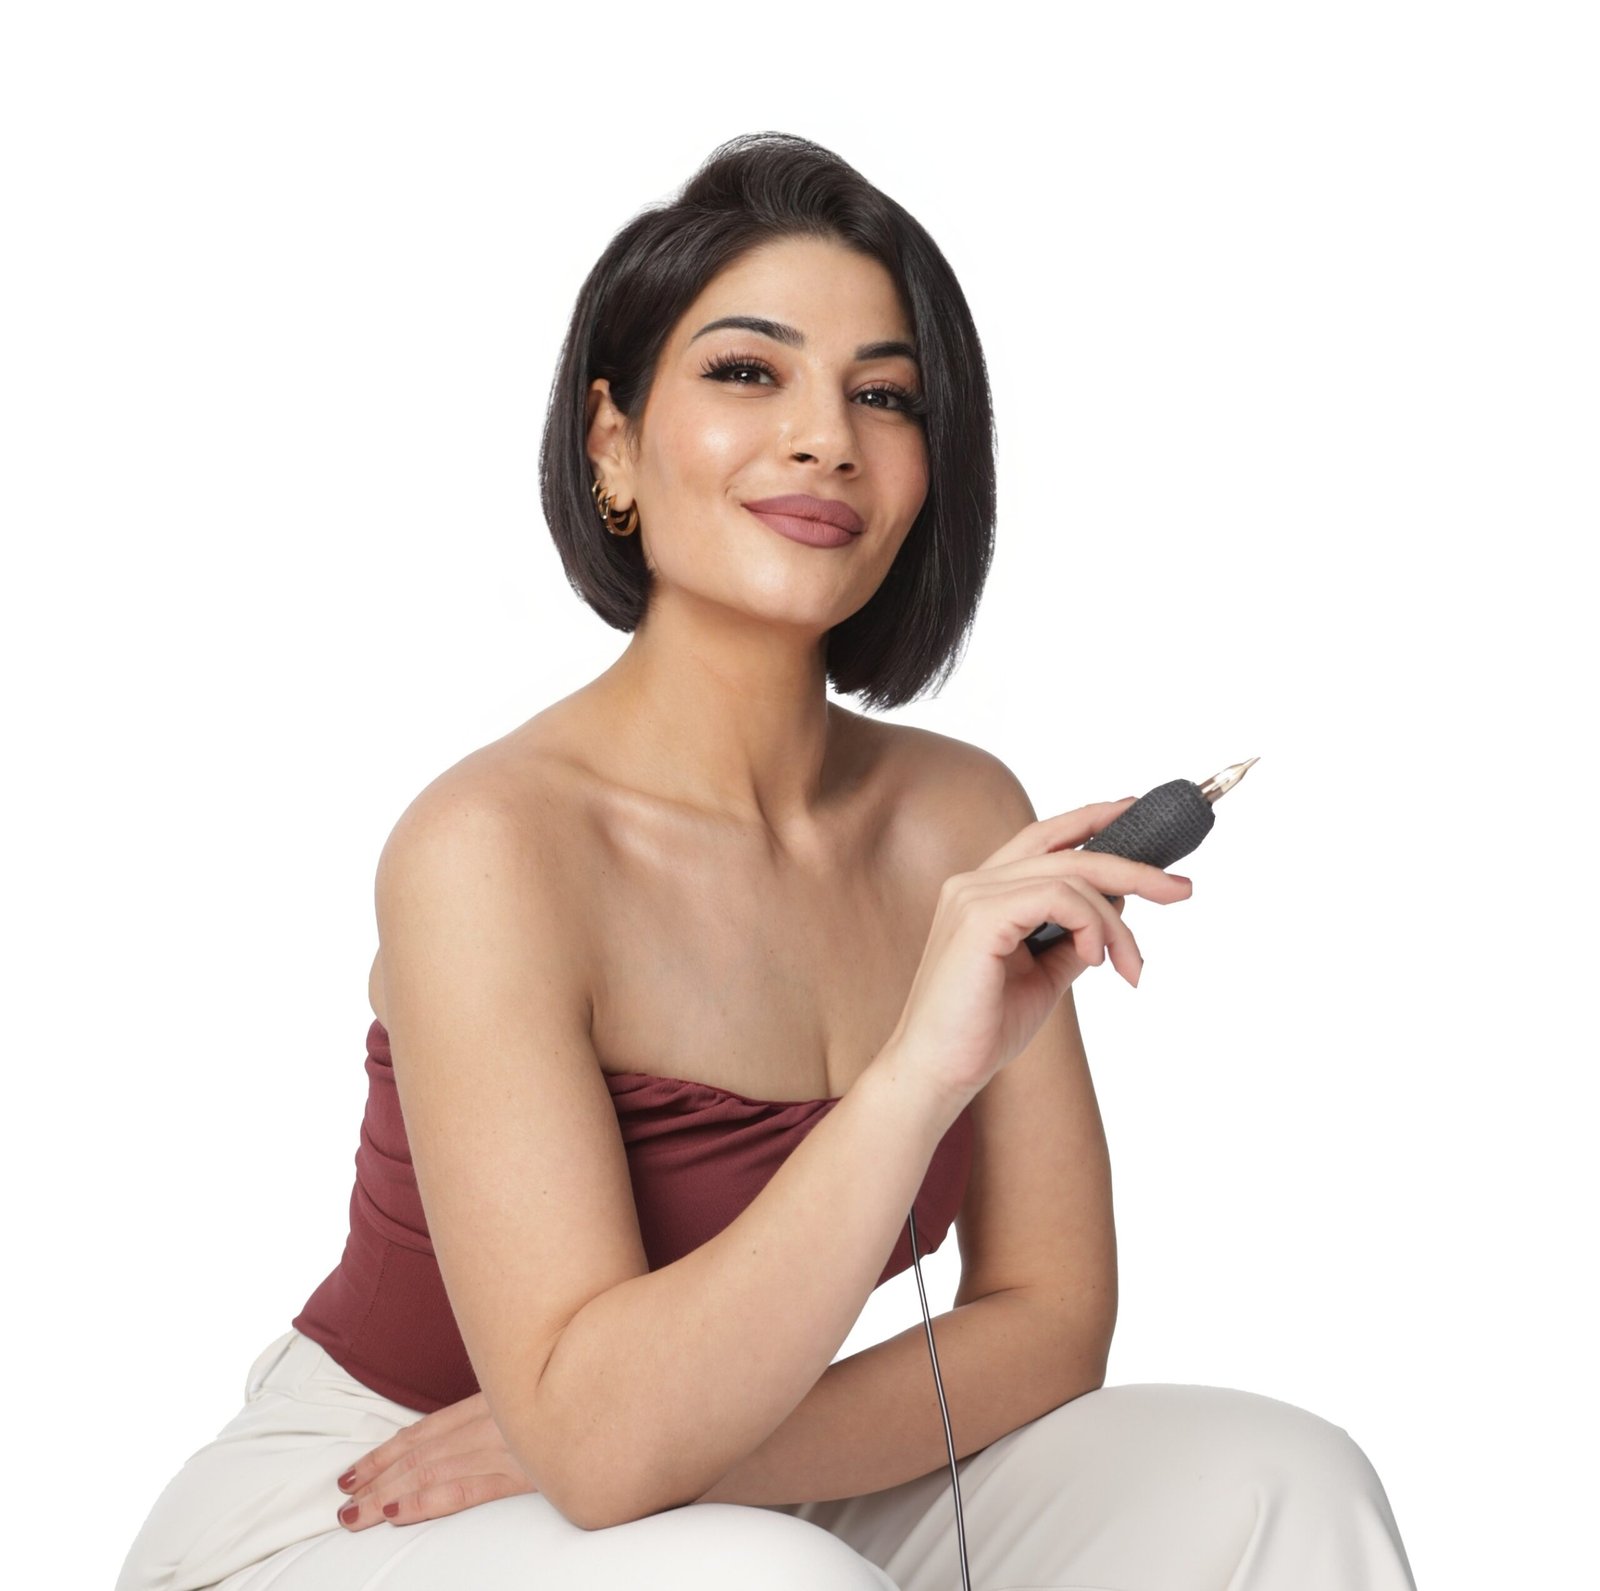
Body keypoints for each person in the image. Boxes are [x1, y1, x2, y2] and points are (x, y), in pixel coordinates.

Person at [115, 130, 1418, 1591]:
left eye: (885, 395)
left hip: (716, 1470)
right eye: (748, 372)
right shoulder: (491, 847)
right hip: (384, 1494)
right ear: (612, 442)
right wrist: (920, 1073)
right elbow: (596, 1444)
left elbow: (1048, 1323)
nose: (826, 438)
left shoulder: (958, 814)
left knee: (1273, 1480)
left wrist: (680, 1456)